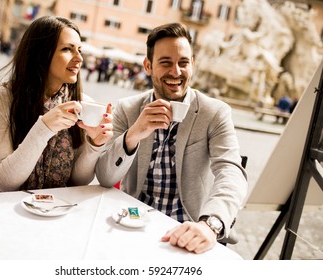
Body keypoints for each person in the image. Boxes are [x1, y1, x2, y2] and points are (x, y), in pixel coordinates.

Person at [96, 23, 247, 254]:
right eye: (166, 62)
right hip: (133, 223)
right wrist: (134, 134)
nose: (176, 72)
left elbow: (231, 172)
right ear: (148, 66)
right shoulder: (128, 109)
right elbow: (106, 177)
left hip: (186, 228)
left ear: (193, 65)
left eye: (183, 63)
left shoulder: (214, 112)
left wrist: (210, 225)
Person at [0, 16, 113, 193]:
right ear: (40, 54)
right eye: (67, 49)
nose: (79, 58)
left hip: (54, 207)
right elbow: (4, 182)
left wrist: (95, 145)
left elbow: (79, 180)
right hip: (2, 205)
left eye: (80, 50)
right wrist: (44, 128)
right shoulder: (1, 99)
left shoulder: (83, 104)